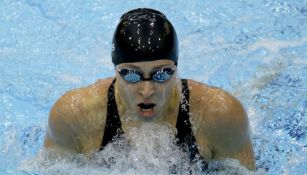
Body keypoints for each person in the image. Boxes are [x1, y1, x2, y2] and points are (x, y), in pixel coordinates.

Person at [44, 8, 256, 171]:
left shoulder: (220, 116)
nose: (147, 90)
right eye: (132, 75)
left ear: (175, 68)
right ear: (116, 71)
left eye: (161, 73)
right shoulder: (73, 117)